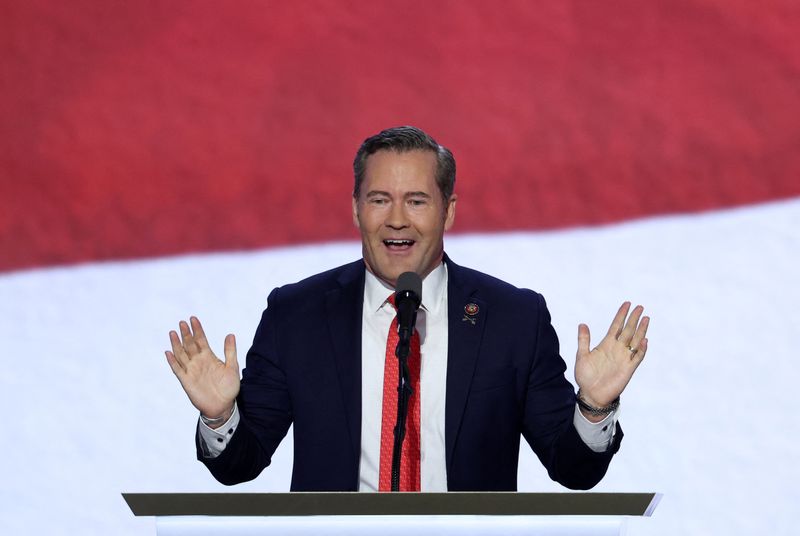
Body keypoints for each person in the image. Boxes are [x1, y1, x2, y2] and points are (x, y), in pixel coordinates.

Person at [165, 126, 649, 491]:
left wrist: (594, 408)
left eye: (417, 201)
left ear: (449, 211)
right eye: (380, 199)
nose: (397, 219)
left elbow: (574, 469)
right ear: (356, 209)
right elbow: (240, 465)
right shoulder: (297, 315)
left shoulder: (513, 320)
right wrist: (220, 417)